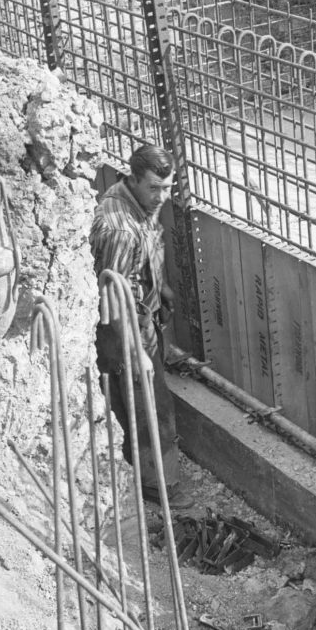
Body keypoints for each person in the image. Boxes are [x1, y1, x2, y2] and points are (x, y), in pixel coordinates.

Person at [89, 144, 194, 511]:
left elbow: (143, 257)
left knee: (137, 399)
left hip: (142, 316)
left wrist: (160, 288)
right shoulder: (119, 227)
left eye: (168, 188)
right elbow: (113, 295)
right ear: (132, 178)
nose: (163, 197)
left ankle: (140, 470)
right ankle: (159, 485)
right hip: (123, 326)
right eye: (155, 188)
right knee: (152, 405)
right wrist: (136, 352)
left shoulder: (141, 204)